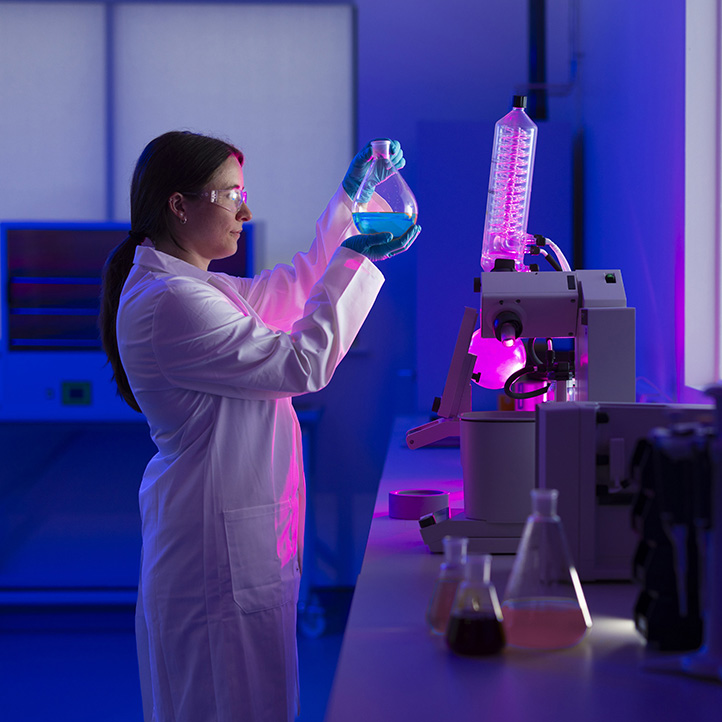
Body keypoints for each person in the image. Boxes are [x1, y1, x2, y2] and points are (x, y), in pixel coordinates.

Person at [99, 130, 420, 722]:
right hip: (211, 558)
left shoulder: (195, 285)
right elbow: (304, 362)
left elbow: (290, 291)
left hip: (227, 541)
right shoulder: (170, 300)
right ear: (179, 204)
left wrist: (348, 208)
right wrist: (358, 256)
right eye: (230, 195)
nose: (245, 211)